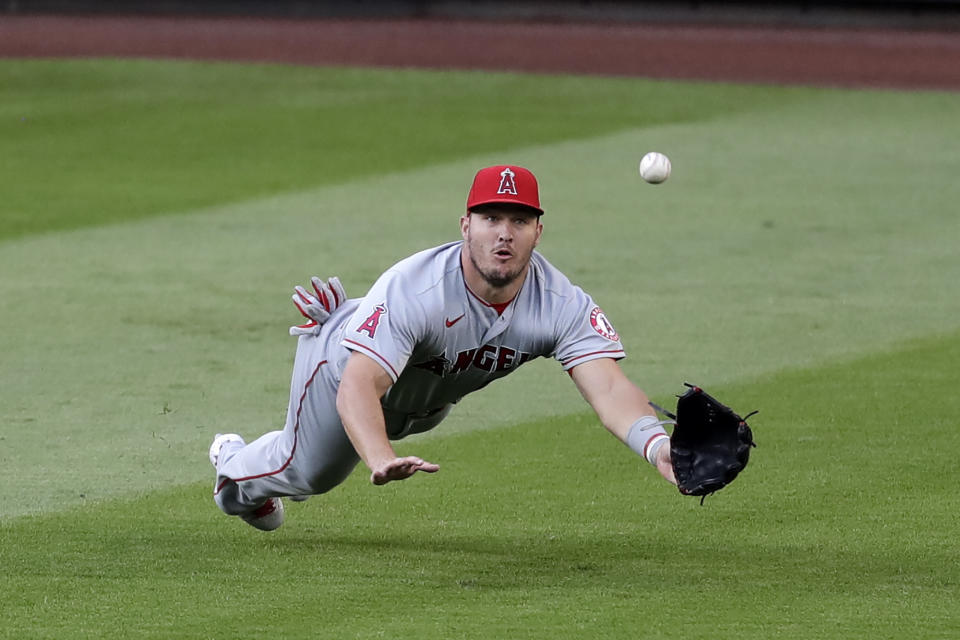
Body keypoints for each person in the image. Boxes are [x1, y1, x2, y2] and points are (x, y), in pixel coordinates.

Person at [209, 165, 676, 531]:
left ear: (539, 231)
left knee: (417, 412)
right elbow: (356, 387)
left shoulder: (559, 303)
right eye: (490, 218)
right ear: (465, 226)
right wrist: (379, 457)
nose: (504, 234)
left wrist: (657, 447)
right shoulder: (417, 291)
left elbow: (610, 388)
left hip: (426, 401)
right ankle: (232, 467)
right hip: (343, 367)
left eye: (519, 220)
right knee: (310, 474)